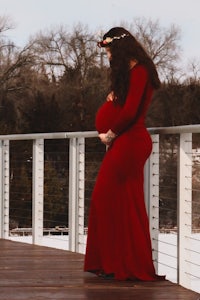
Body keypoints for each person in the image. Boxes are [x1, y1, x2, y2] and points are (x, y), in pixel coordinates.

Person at [84, 27, 165, 281]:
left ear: (119, 49)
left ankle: (123, 264)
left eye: (108, 50)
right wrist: (114, 98)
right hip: (124, 143)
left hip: (130, 142)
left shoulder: (140, 71)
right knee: (119, 202)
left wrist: (110, 133)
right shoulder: (131, 74)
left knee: (107, 198)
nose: (107, 55)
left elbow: (131, 113)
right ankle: (115, 263)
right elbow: (126, 105)